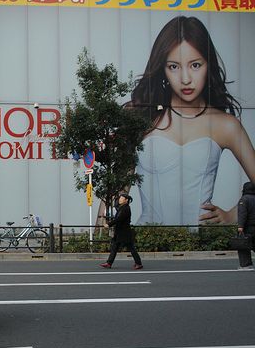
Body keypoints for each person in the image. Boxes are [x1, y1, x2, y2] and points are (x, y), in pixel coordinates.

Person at [130, 16, 255, 226]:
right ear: (162, 69)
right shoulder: (141, 118)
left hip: (201, 242)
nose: (186, 78)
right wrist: (98, 237)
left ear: (209, 64)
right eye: (174, 67)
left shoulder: (225, 125)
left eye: (195, 65)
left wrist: (234, 215)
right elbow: (114, 193)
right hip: (147, 242)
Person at [100, 193, 143, 270]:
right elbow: (117, 218)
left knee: (131, 248)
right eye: (120, 198)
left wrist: (108, 224)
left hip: (125, 232)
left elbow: (118, 219)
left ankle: (139, 263)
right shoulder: (122, 207)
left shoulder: (126, 209)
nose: (120, 199)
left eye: (122, 198)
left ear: (126, 200)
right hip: (119, 232)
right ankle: (109, 263)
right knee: (114, 247)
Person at [236, 182, 255, 270]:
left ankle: (246, 265)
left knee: (243, 245)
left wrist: (240, 226)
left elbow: (242, 213)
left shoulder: (244, 199)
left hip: (248, 227)